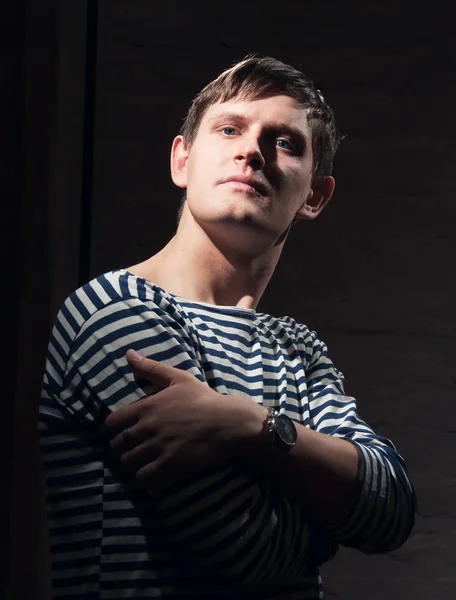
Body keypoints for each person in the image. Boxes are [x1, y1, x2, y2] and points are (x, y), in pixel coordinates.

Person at [39, 55, 416, 599]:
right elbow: (246, 548)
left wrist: (248, 425)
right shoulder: (114, 310)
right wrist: (328, 505)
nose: (252, 150)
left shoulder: (299, 348)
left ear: (315, 196)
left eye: (285, 142)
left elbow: (393, 511)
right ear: (182, 161)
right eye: (229, 128)